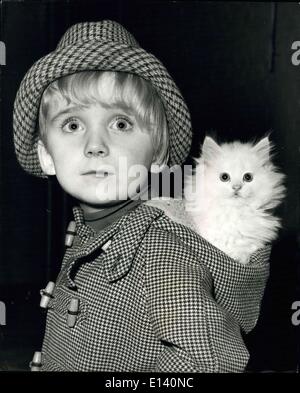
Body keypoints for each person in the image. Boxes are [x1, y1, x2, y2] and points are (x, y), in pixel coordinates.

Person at [13, 20, 270, 372]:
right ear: (46, 155)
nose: (95, 146)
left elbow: (209, 362)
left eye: (120, 124)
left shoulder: (159, 250)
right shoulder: (92, 229)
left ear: (158, 155)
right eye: (72, 125)